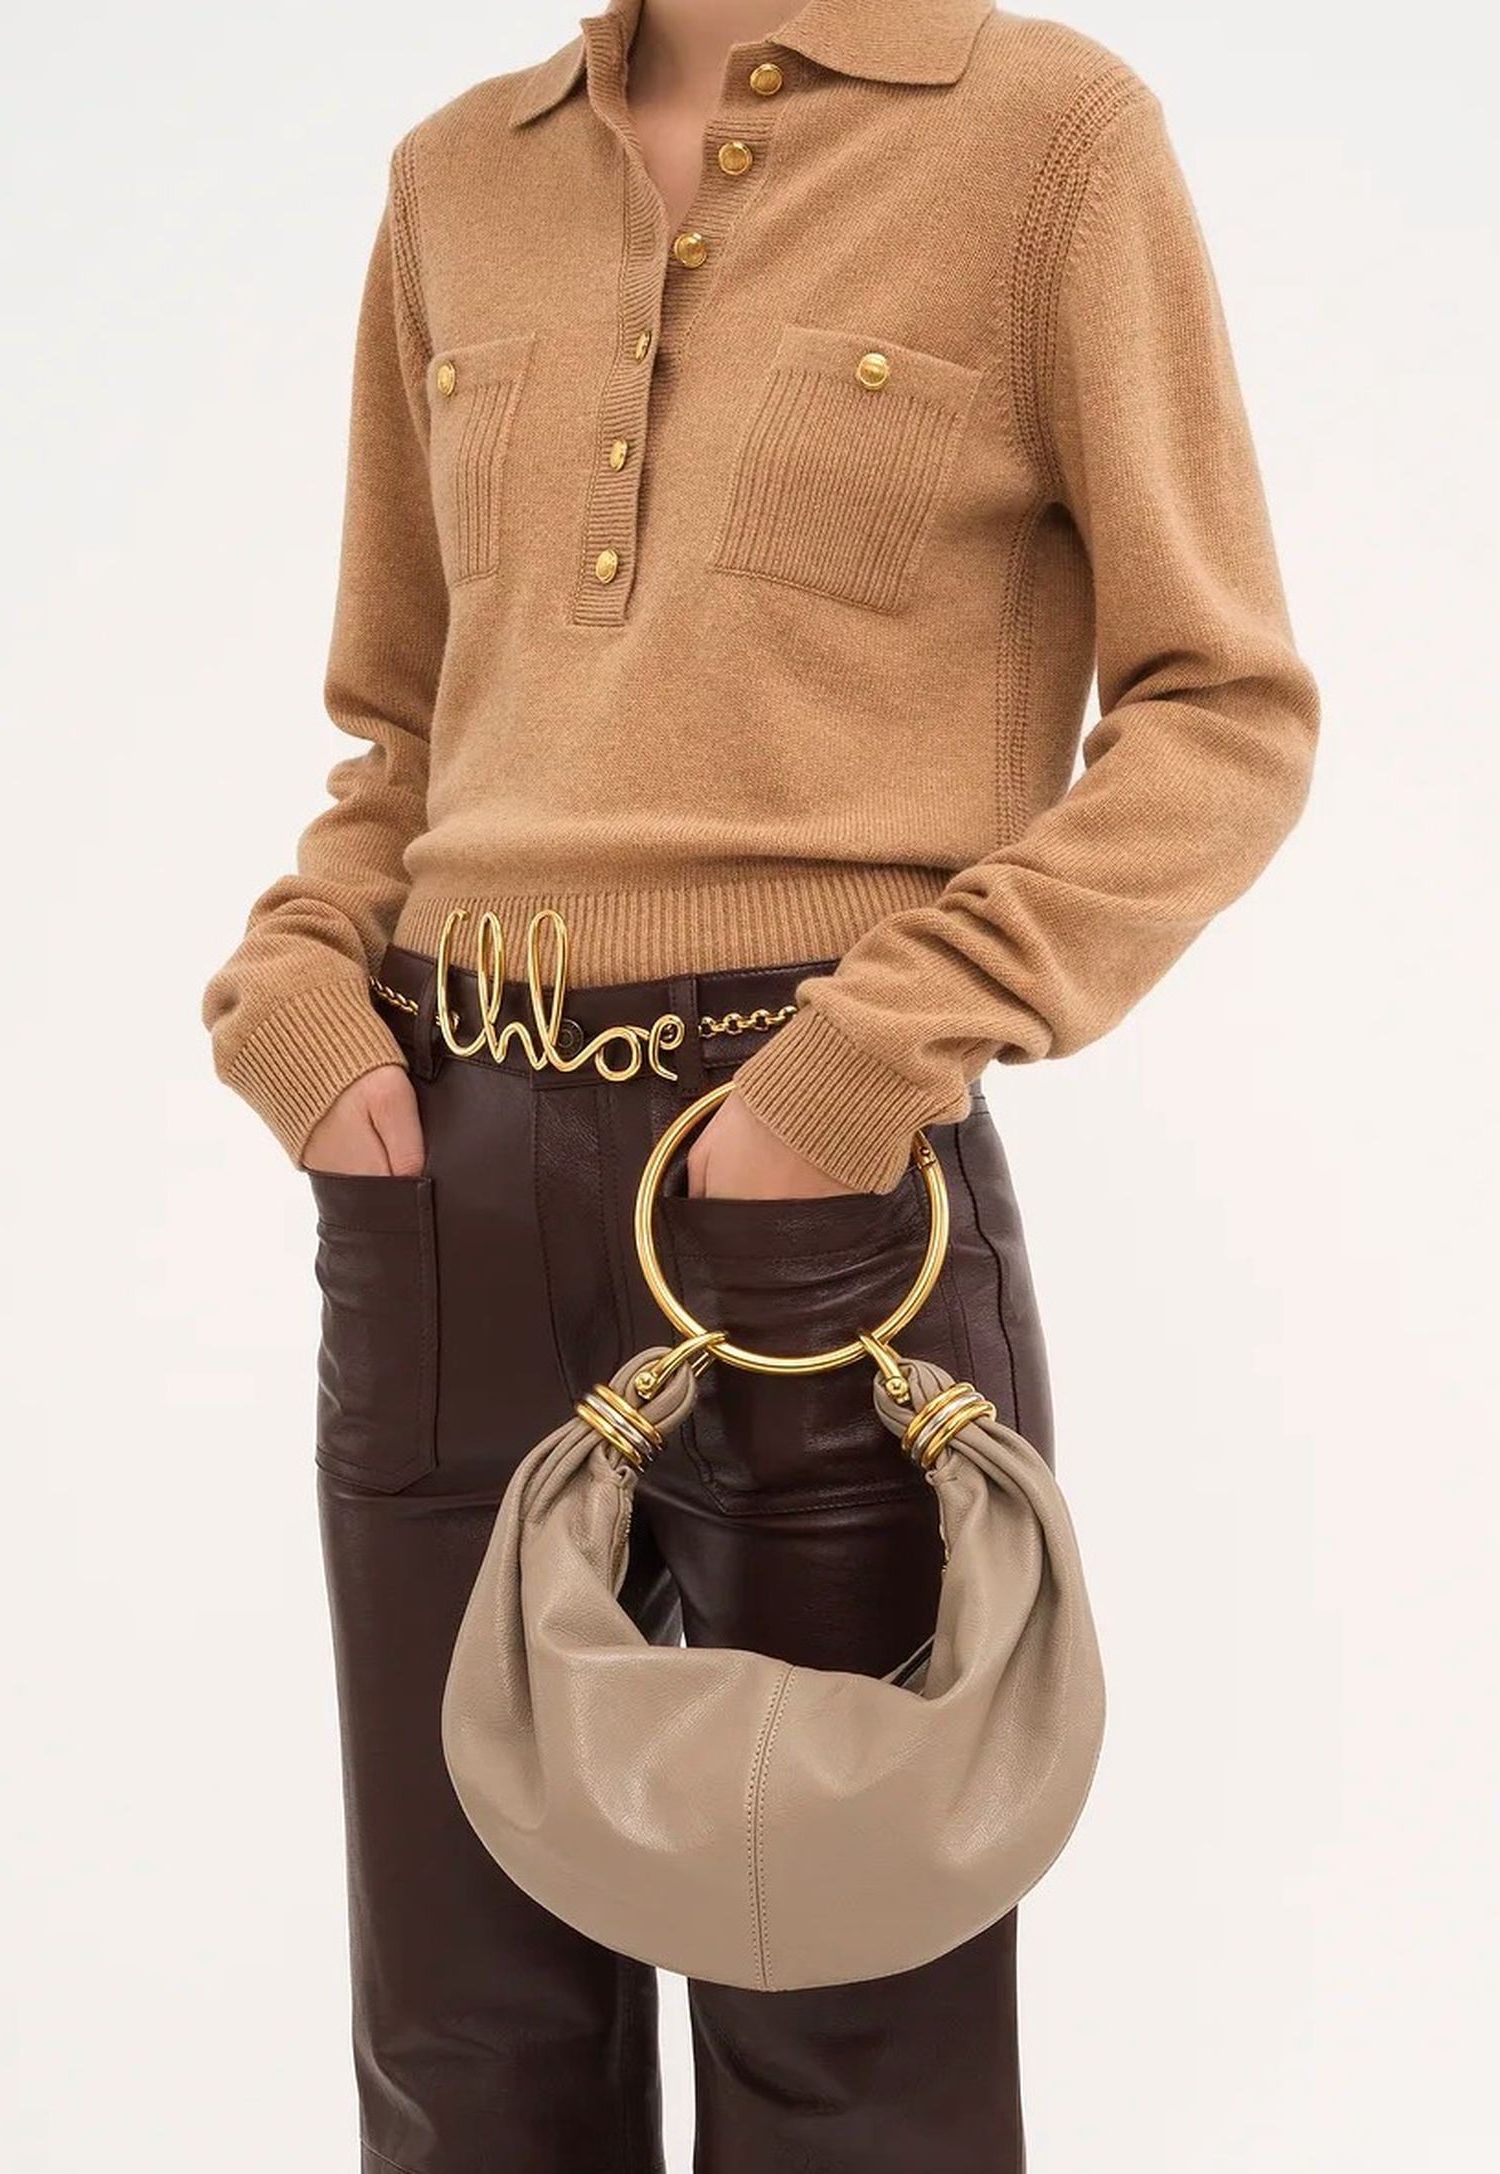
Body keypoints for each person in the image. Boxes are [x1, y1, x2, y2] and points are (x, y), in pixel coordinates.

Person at [201, 1, 1318, 2167]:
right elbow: (405, 734)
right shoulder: (454, 178)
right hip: (441, 1181)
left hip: (817, 1210)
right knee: (462, 2054)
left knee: (848, 2048)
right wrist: (300, 1004)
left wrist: (858, 1070)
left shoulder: (1047, 142)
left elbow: (1225, 713)